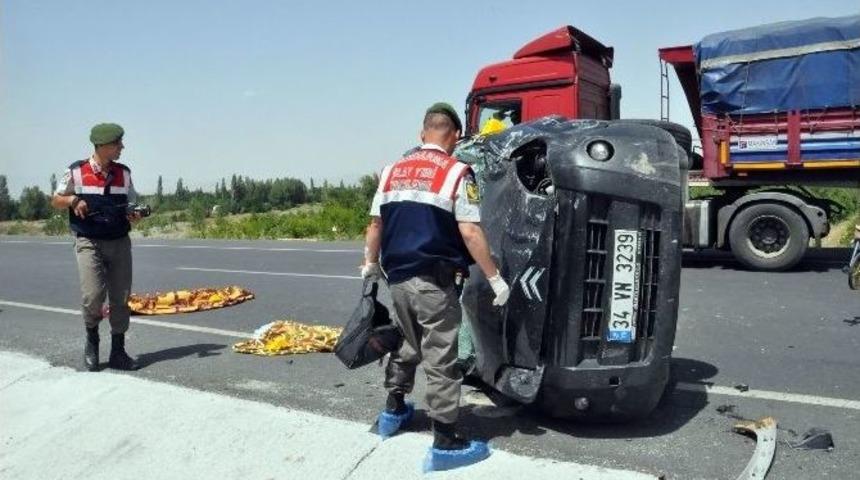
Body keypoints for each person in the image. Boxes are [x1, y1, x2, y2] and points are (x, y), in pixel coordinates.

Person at [361, 102, 510, 465]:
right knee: (441, 356)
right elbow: (470, 231)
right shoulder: (458, 172)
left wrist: (370, 264)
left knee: (407, 343)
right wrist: (495, 278)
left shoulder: (392, 170)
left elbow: (376, 224)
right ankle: (445, 441)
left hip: (397, 280)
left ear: (422, 133)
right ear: (456, 136)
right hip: (434, 283)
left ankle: (393, 412)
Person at [51, 123, 141, 372]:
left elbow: (131, 203)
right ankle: (92, 341)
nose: (122, 147)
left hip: (119, 241)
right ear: (102, 146)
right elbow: (56, 199)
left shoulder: (124, 173)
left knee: (121, 298)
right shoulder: (76, 171)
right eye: (117, 144)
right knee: (92, 297)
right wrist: (72, 200)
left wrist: (134, 214)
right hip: (88, 241)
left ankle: (118, 352)